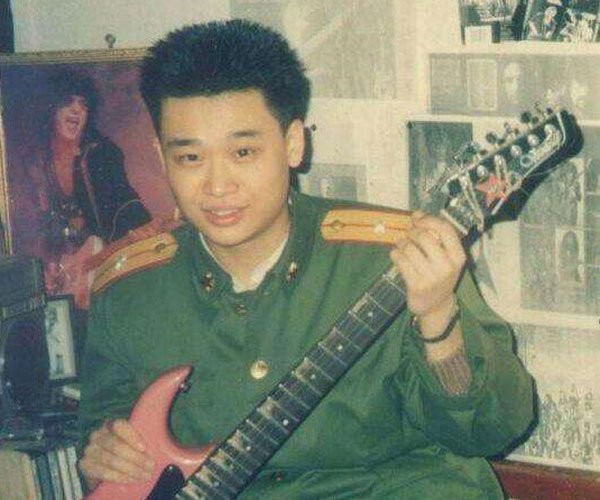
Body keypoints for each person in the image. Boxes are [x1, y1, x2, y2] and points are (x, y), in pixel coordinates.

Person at [78, 20, 535, 498]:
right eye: (190, 158)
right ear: (160, 156)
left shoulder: (395, 258)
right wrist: (104, 456)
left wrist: (439, 320)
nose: (217, 185)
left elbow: (492, 430)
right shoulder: (130, 292)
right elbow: (104, 441)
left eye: (243, 152)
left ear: (293, 143)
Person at [14, 69, 151, 307]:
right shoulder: (38, 162)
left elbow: (126, 207)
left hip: (105, 265)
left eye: (84, 105)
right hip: (62, 272)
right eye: (68, 102)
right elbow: (33, 229)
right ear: (51, 109)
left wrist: (135, 231)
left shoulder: (100, 156)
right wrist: (50, 266)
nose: (77, 110)